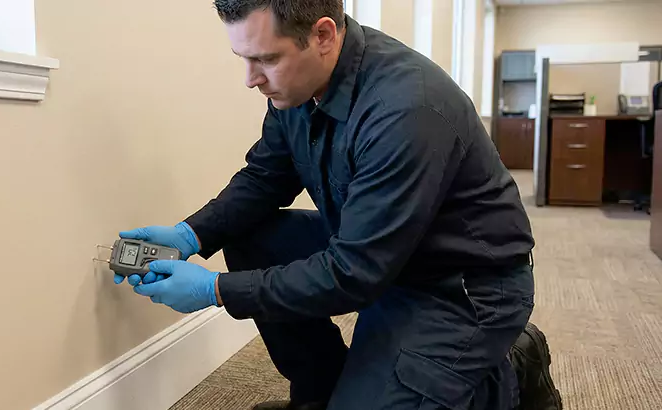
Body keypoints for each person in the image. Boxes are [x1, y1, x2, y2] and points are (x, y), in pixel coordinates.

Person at [116, 1, 563, 409]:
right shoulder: (296, 87)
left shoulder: (407, 108)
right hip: (377, 251)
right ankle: (319, 393)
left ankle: (511, 371)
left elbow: (354, 273)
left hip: (460, 285)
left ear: (324, 35)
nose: (250, 78)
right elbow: (265, 177)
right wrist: (190, 234)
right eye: (245, 59)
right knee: (252, 238)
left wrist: (213, 290)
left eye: (267, 59)